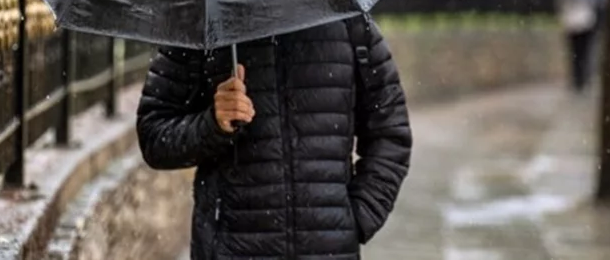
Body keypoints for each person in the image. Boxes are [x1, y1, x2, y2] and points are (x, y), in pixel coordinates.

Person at [136, 15, 411, 259]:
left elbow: (390, 133)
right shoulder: (202, 24)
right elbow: (154, 135)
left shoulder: (347, 21)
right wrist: (213, 124)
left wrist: (358, 217)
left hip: (328, 249)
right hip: (231, 248)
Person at [556, 0, 604, 92]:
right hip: (585, 23)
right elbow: (594, 4)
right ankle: (583, 77)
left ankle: (578, 78)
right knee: (585, 52)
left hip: (572, 24)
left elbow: (561, 7)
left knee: (576, 53)